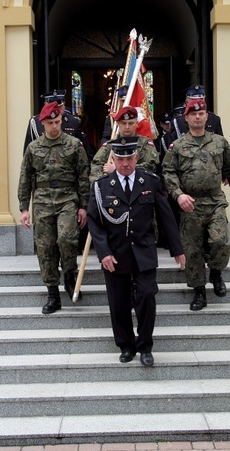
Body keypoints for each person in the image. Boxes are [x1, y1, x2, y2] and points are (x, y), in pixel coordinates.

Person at [87, 136, 185, 367]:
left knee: (147, 296)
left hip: (144, 251)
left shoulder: (149, 181)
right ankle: (126, 345)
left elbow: (165, 217)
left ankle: (145, 346)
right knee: (118, 302)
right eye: (120, 159)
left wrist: (177, 249)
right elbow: (95, 221)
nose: (125, 163)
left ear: (136, 157)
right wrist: (104, 253)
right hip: (115, 253)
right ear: (114, 159)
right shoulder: (101, 186)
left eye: (129, 158)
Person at [162, 98, 230, 312]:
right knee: (192, 250)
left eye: (201, 113)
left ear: (207, 116)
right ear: (186, 118)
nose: (198, 116)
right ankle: (199, 290)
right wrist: (178, 194)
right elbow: (168, 172)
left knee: (220, 241)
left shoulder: (220, 142)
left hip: (215, 200)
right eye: (193, 114)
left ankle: (216, 272)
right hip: (190, 204)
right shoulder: (178, 146)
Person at [18, 101, 90, 314]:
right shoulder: (33, 148)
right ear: (43, 124)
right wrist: (24, 208)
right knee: (45, 247)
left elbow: (83, 177)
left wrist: (83, 206)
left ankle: (69, 275)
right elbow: (25, 178)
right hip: (42, 202)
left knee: (67, 239)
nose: (55, 126)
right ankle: (53, 294)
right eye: (50, 123)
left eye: (57, 121)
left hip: (67, 199)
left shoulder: (74, 145)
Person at [89, 105, 159, 182]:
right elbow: (96, 165)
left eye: (131, 123)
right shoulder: (110, 144)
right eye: (124, 123)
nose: (127, 127)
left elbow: (152, 166)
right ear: (118, 124)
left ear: (136, 123)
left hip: (139, 185)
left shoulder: (145, 143)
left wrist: (119, 169)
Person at [23, 89, 93, 160]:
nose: (55, 106)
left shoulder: (73, 121)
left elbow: (85, 152)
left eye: (59, 104)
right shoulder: (35, 122)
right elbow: (27, 154)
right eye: (51, 103)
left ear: (64, 104)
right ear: (45, 104)